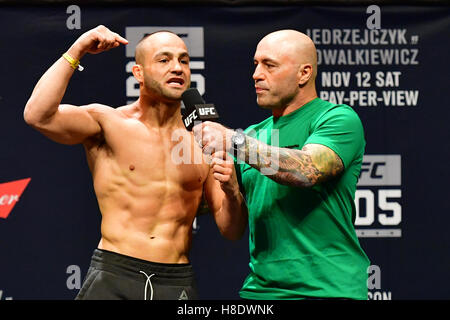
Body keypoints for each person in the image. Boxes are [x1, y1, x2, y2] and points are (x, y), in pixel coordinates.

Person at [23, 25, 247, 300]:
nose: (177, 67)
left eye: (184, 60)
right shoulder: (108, 122)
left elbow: (232, 230)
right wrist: (77, 49)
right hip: (114, 272)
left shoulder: (205, 140)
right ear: (138, 73)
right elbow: (38, 115)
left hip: (175, 279)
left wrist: (232, 191)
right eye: (164, 60)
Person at [193, 29, 370, 300]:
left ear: (304, 73)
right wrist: (230, 191)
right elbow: (233, 230)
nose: (256, 74)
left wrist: (233, 140)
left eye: (269, 65)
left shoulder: (336, 119)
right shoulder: (254, 134)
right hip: (260, 293)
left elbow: (306, 170)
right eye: (255, 64)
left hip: (328, 289)